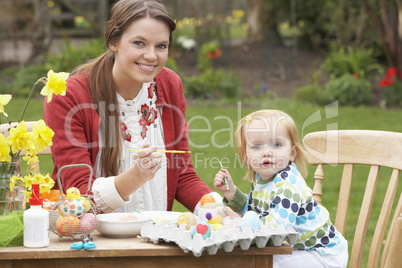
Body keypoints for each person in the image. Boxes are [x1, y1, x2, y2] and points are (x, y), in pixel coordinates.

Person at [43, 0, 222, 215]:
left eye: (161, 46)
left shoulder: (169, 84)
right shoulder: (69, 95)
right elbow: (78, 194)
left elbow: (182, 174)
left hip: (154, 239)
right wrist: (136, 177)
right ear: (113, 41)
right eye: (139, 43)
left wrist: (220, 210)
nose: (151, 56)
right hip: (89, 238)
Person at [214, 109, 348, 268]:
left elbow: (275, 229)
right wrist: (231, 193)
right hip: (301, 249)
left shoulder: (288, 185)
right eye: (257, 146)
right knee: (250, 258)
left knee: (260, 262)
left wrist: (242, 223)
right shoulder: (262, 179)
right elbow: (255, 209)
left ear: (292, 153)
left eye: (276, 144)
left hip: (323, 253)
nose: (266, 152)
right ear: (247, 156)